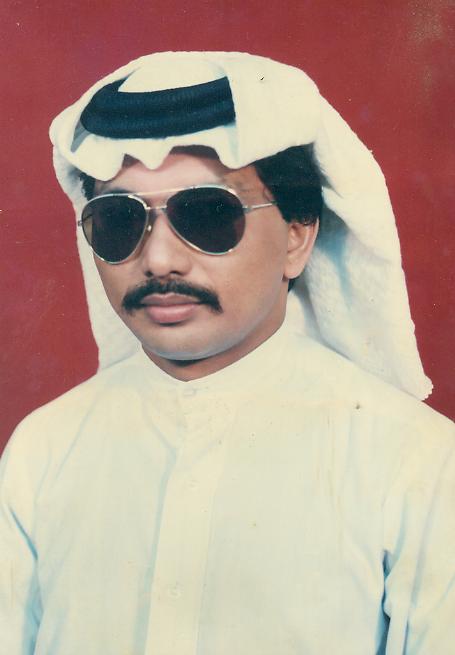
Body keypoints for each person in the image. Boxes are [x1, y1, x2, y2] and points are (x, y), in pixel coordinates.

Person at [1, 51, 454, 655]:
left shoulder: (415, 461)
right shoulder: (43, 450)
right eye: (119, 220)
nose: (159, 260)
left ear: (298, 237)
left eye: (209, 215)